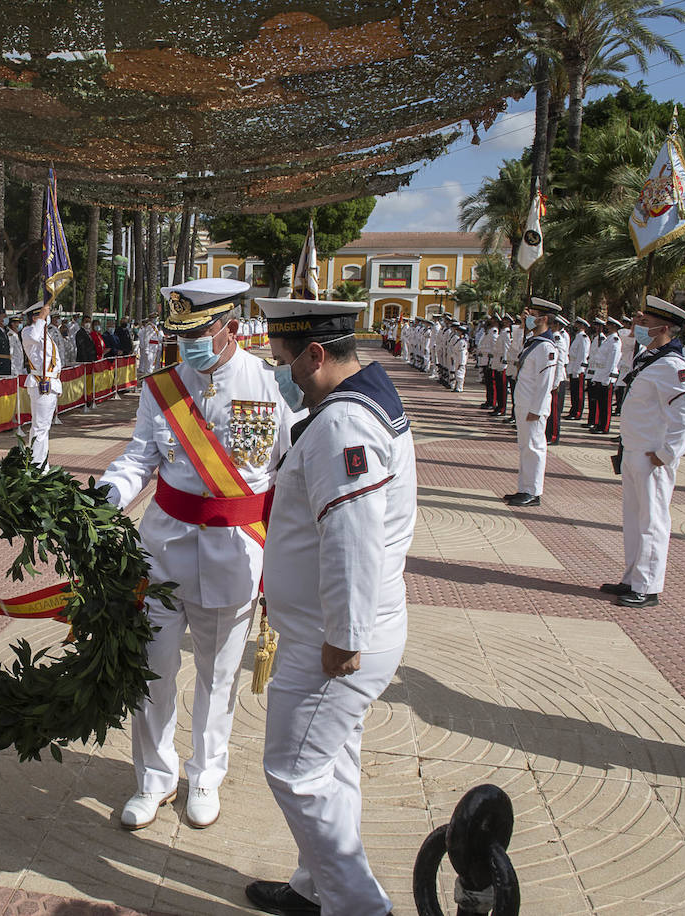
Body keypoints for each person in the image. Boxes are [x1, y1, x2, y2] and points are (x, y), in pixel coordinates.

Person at [99, 278, 297, 833]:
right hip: (163, 548)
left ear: (231, 328)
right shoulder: (161, 386)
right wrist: (110, 494)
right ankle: (154, 778)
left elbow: (285, 470)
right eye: (178, 334)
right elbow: (139, 456)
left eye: (198, 333)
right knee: (153, 668)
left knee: (219, 673)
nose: (187, 345)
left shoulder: (271, 384)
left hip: (235, 551)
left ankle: (206, 773)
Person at [245, 298, 415, 916]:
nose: (280, 372)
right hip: (333, 627)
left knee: (294, 773)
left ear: (316, 355)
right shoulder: (357, 401)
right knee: (333, 765)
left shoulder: (344, 424)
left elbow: (353, 536)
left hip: (334, 640)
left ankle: (359, 907)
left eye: (284, 360)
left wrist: (344, 635)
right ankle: (314, 888)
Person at [599, 297, 685, 608]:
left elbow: (684, 417)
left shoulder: (673, 366)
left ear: (663, 328)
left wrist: (667, 454)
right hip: (634, 451)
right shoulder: (650, 359)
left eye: (645, 322)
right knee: (634, 519)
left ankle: (648, 586)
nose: (639, 324)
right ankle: (631, 577)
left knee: (652, 521)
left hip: (652, 456)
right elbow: (627, 355)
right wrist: (632, 331)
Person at [504, 298, 561, 507]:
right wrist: (521, 325)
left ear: (544, 319)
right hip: (524, 403)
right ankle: (524, 488)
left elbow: (546, 383)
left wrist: (536, 410)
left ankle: (533, 491)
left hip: (533, 407)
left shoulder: (547, 348)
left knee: (535, 447)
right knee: (525, 447)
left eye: (533, 314)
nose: (527, 316)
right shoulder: (533, 342)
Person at [21, 300, 63, 466]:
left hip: (51, 383)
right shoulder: (29, 331)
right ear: (35, 317)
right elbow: (32, 336)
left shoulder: (46, 334)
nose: (48, 318)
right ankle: (37, 464)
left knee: (44, 427)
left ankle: (41, 462)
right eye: (44, 314)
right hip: (41, 382)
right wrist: (42, 318)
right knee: (39, 427)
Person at [589, 317, 623, 434]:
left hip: (606, 377)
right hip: (600, 375)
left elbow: (612, 361)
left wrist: (607, 378)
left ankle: (604, 427)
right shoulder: (608, 340)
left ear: (614, 327)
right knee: (601, 402)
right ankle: (599, 424)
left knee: (606, 404)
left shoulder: (615, 341)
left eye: (608, 325)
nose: (606, 327)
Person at [547, 314, 570, 445]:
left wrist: (556, 382)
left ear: (556, 325)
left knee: (555, 411)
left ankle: (554, 436)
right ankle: (548, 433)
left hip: (557, 379)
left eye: (551, 324)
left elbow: (560, 362)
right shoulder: (552, 338)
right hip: (552, 378)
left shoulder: (558, 339)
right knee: (550, 409)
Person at [567, 318, 591, 420]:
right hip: (573, 367)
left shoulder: (583, 338)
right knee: (574, 391)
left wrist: (578, 370)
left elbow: (582, 355)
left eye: (578, 324)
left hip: (578, 369)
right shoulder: (577, 337)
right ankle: (573, 410)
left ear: (583, 326)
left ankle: (577, 412)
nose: (575, 326)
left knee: (579, 392)